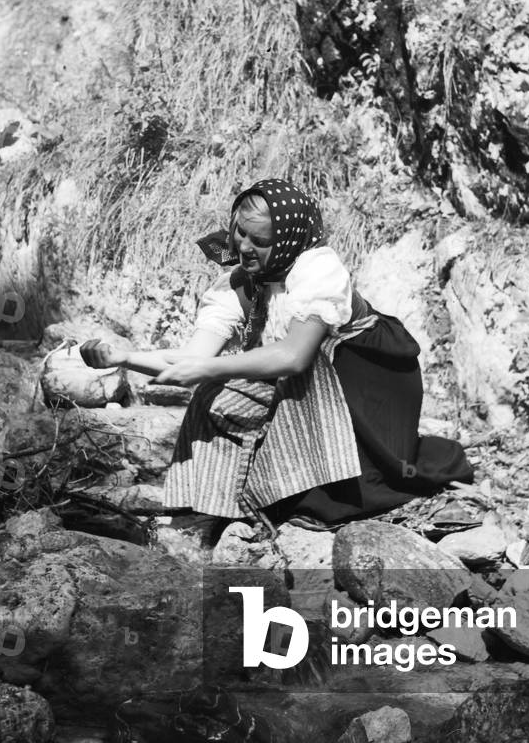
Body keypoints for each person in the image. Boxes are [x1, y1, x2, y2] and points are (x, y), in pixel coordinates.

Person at [80, 178, 473, 529]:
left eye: (260, 241)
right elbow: (194, 357)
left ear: (284, 240)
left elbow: (295, 357)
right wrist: (123, 358)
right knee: (215, 398)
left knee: (338, 464)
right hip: (309, 372)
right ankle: (217, 502)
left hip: (366, 373)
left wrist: (209, 369)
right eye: (240, 234)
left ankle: (311, 488)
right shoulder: (239, 283)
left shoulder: (316, 269)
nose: (244, 248)